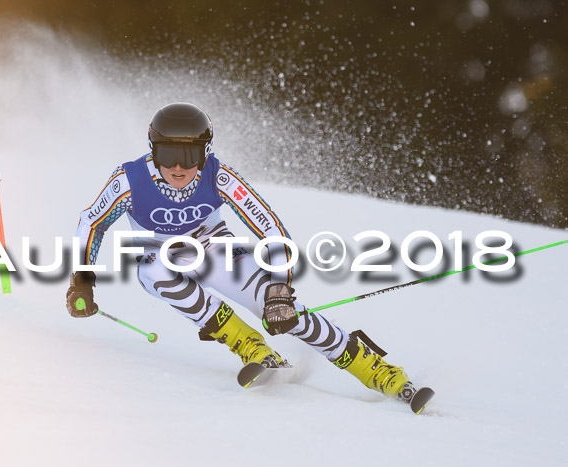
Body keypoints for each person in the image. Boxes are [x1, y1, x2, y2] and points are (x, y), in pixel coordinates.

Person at [66, 102, 417, 402]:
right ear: (152, 149)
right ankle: (248, 344)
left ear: (204, 152)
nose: (177, 167)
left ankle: (372, 367)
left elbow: (272, 230)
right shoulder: (129, 181)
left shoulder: (219, 177)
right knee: (153, 271)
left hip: (215, 248)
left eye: (188, 156)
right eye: (167, 154)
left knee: (280, 310)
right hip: (159, 255)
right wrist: (82, 281)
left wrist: (279, 290)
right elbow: (92, 222)